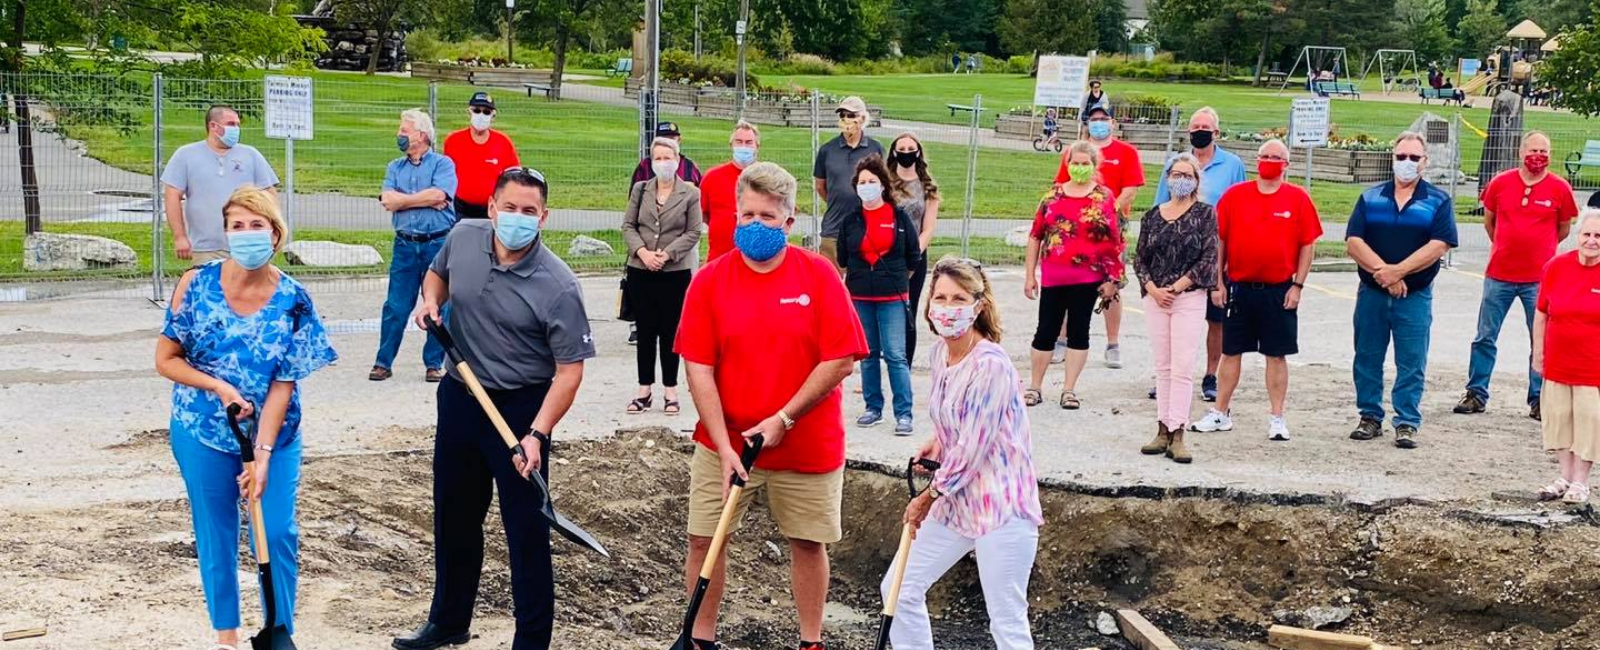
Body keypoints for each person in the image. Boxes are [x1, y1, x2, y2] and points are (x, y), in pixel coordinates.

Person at [396, 167, 595, 650]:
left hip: (521, 407)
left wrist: (539, 434)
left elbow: (569, 371)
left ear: (544, 217)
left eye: (529, 211)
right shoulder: (463, 236)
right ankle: (448, 621)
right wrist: (429, 302)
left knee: (525, 531)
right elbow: (436, 274)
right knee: (454, 515)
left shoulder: (559, 286)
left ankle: (531, 641)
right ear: (491, 208)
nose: (518, 218)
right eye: (510, 208)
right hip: (461, 396)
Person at [674, 162, 868, 650]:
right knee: (705, 539)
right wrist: (723, 446)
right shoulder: (710, 281)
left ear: (790, 220)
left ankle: (810, 641)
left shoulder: (818, 275)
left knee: (807, 542)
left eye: (767, 216)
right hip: (726, 443)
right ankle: (700, 639)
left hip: (806, 445)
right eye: (746, 215)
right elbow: (698, 367)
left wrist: (784, 418)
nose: (755, 225)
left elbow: (841, 358)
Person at [155, 185, 338, 650]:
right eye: (237, 225)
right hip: (203, 430)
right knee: (216, 532)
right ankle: (227, 636)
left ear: (275, 234)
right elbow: (166, 359)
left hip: (273, 435)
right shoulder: (195, 285)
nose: (246, 233)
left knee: (275, 531)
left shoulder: (294, 299)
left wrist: (262, 455)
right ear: (226, 232)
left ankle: (279, 630)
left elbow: (284, 383)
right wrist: (218, 386)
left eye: (256, 225)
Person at [882, 257, 1044, 650]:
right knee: (898, 588)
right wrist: (938, 439)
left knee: (1006, 618)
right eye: (940, 297)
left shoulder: (991, 366)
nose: (947, 308)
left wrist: (927, 497)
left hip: (1000, 505)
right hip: (959, 502)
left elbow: (973, 447)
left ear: (978, 305)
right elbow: (954, 416)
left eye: (958, 298)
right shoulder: (942, 353)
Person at [1192, 139, 1322, 441]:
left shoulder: (1298, 199)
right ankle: (1220, 412)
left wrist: (1298, 285)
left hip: (1278, 290)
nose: (1269, 161)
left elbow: (1307, 245)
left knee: (1276, 354)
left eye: (1276, 157)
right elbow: (1219, 241)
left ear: (1286, 164)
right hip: (1239, 288)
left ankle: (1277, 417)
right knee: (1231, 351)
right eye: (1264, 156)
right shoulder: (1235, 197)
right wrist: (1218, 282)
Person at [1344, 132, 1459, 449]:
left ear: (1425, 161)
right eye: (1401, 157)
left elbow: (1439, 245)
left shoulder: (1437, 200)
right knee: (1367, 356)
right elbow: (1354, 242)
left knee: (1411, 361)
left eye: (1413, 158)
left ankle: (1407, 421)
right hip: (1372, 294)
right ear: (1392, 158)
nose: (1406, 163)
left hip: (1414, 296)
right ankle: (1369, 416)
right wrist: (1384, 274)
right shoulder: (1370, 198)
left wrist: (1399, 271)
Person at [1455, 131, 1579, 421]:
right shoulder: (1500, 183)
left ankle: (1538, 398)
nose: (1539, 156)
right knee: (1485, 336)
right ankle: (1476, 393)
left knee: (1541, 340)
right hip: (1499, 274)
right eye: (1534, 150)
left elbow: (1563, 229)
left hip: (1539, 279)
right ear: (1521, 152)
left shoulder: (1560, 188)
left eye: (1544, 151)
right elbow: (1490, 222)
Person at [1152, 107, 1249, 402]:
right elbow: (1160, 205)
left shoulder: (1232, 164)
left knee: (1216, 319)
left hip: (1216, 253)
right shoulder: (1176, 163)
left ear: (1216, 132)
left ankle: (1210, 375)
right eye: (1195, 126)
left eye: (1205, 126)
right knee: (1173, 316)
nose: (1200, 131)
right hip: (1178, 255)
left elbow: (1241, 208)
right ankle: (1168, 375)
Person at [1023, 141, 1124, 410]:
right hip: (1054, 277)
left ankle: (1069, 389)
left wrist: (1113, 278)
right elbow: (1036, 236)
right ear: (1067, 165)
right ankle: (1035, 385)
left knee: (1080, 332)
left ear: (1094, 165)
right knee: (1045, 331)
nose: (1079, 168)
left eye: (1084, 163)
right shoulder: (1052, 197)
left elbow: (1115, 241)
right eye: (1075, 163)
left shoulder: (1104, 198)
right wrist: (1030, 274)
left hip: (1087, 278)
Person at [1134, 154, 1218, 464]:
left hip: (1187, 297)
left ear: (1196, 181)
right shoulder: (1152, 216)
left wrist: (1178, 286)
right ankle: (1162, 428)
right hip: (1156, 298)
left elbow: (1209, 258)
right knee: (1163, 365)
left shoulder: (1205, 216)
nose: (1180, 179)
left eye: (1187, 174)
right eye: (1175, 173)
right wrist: (1154, 289)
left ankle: (1178, 430)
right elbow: (1140, 258)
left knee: (1182, 366)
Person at [1054, 104, 1145, 369]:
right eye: (1093, 119)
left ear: (1112, 122)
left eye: (1103, 118)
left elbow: (1130, 189)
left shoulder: (1126, 152)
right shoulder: (1075, 151)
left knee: (1111, 283)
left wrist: (1106, 212)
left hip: (1111, 225)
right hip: (1075, 226)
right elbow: (1060, 184)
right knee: (1068, 282)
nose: (1098, 123)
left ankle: (1113, 343)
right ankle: (1062, 339)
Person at [372, 109, 458, 383]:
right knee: (396, 306)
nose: (399, 135)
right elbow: (387, 199)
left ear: (421, 136)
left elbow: (440, 194)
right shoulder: (393, 167)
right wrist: (424, 199)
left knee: (438, 305)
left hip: (437, 244)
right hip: (406, 245)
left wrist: (404, 200)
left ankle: (434, 363)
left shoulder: (443, 165)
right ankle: (383, 362)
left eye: (404, 130)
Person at [837, 155, 920, 434]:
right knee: (869, 354)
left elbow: (912, 256)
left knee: (895, 355)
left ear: (883, 185)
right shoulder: (851, 221)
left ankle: (904, 413)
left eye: (872, 181)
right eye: (862, 182)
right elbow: (843, 257)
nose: (867, 186)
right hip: (860, 296)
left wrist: (895, 280)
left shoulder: (899, 217)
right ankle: (873, 407)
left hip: (892, 298)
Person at [622, 137, 703, 415]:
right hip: (641, 269)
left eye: (668, 158)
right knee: (645, 331)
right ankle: (644, 389)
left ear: (678, 160)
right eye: (657, 158)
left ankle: (671, 389)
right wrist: (643, 253)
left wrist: (666, 255)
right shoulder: (640, 190)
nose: (663, 163)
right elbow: (628, 225)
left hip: (674, 272)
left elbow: (693, 232)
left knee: (670, 332)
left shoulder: (690, 193)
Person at [1533, 209, 1600, 504]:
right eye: (1587, 234)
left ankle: (1582, 482)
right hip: (1558, 361)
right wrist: (1538, 352)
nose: (1592, 241)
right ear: (1578, 236)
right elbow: (1541, 313)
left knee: (1589, 421)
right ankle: (1565, 476)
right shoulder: (1556, 266)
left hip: (1592, 365)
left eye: (1599, 236)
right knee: (1559, 418)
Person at [161, 104, 280, 264]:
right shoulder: (185, 155)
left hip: (247, 246)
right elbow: (172, 196)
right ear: (213, 126)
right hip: (206, 248)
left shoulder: (251, 155)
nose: (236, 129)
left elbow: (269, 195)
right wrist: (180, 237)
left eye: (238, 125)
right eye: (231, 124)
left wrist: (274, 231)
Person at [814, 96, 885, 274]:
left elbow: (885, 185)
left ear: (862, 119)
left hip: (867, 228)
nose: (846, 119)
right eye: (843, 115)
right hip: (834, 227)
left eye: (851, 115)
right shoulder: (827, 150)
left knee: (862, 283)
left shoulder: (875, 149)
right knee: (830, 282)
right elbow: (821, 186)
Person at [888, 133, 942, 366]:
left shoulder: (927, 187)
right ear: (894, 152)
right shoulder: (884, 184)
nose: (907, 152)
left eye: (911, 148)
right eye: (902, 148)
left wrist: (913, 255)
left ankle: (904, 366)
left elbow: (928, 228)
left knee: (907, 311)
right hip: (886, 255)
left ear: (918, 152)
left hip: (914, 257)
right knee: (884, 312)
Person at [442, 91, 520, 220]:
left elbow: (514, 176)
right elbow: (445, 174)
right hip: (460, 209)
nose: (481, 115)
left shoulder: (503, 142)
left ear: (493, 116)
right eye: (477, 111)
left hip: (491, 209)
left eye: (486, 112)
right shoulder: (453, 141)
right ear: (469, 112)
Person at [700, 120, 761, 261]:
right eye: (739, 142)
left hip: (758, 259)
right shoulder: (712, 177)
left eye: (748, 142)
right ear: (731, 145)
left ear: (757, 146)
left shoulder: (768, 177)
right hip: (720, 258)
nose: (743, 146)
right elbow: (703, 214)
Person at [631, 121, 704, 186]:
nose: (668, 143)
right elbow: (634, 197)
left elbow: (700, 196)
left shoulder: (689, 167)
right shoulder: (645, 166)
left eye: (672, 139)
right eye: (663, 139)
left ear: (679, 141)